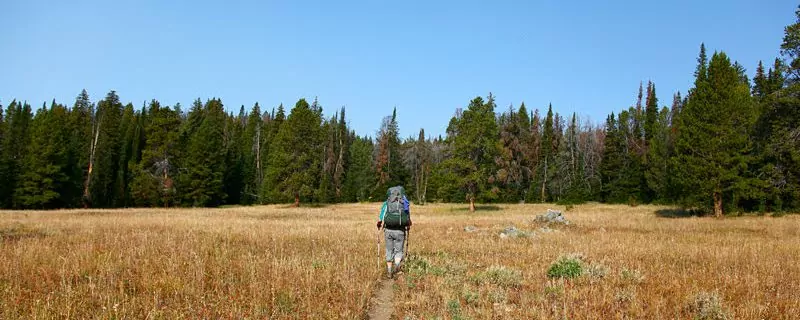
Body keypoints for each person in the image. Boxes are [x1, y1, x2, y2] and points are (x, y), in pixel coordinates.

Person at [376, 187, 411, 279]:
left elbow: (381, 218)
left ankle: (389, 271)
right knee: (399, 250)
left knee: (389, 250)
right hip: (400, 230)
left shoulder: (387, 203)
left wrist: (379, 224)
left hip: (388, 230)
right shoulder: (404, 203)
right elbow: (408, 218)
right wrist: (408, 226)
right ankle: (396, 268)